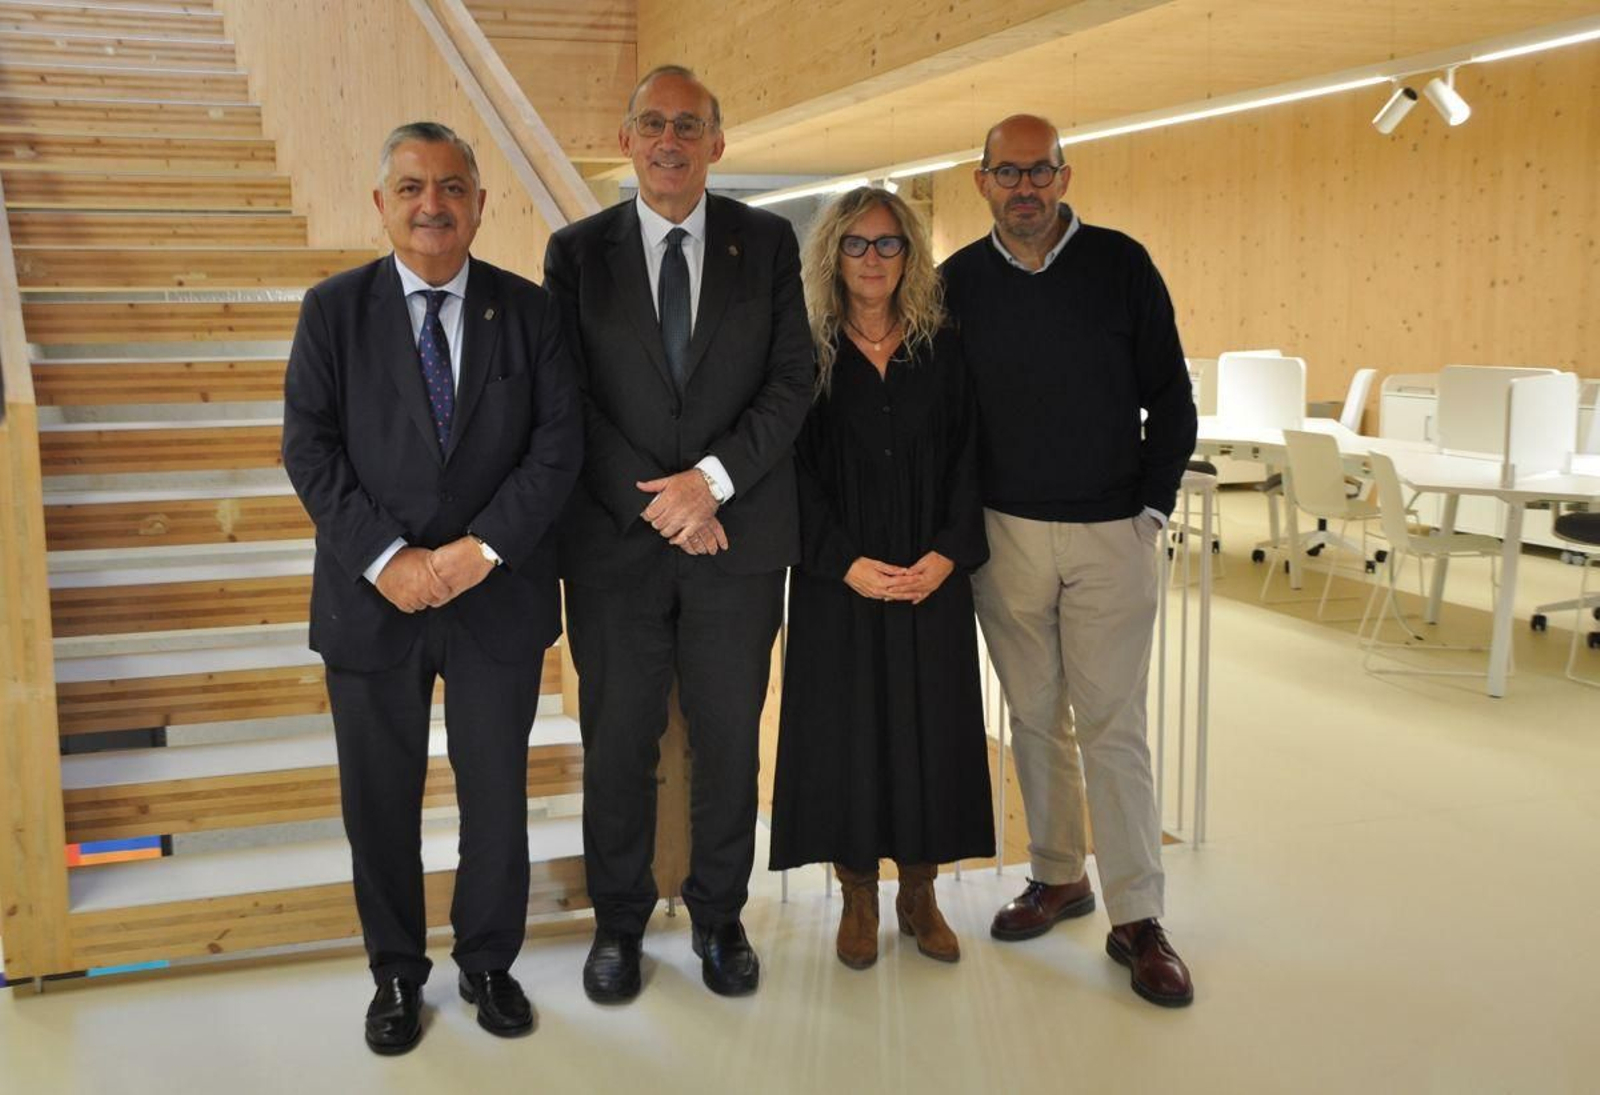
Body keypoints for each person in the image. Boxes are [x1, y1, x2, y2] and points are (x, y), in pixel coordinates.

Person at [281, 121, 582, 1053]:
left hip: (495, 596)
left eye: (452, 187)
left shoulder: (529, 313)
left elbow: (557, 447)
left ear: (480, 205)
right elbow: (310, 448)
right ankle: (396, 975)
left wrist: (476, 552)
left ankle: (489, 962)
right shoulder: (332, 311)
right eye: (411, 187)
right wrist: (392, 561)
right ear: (381, 204)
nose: (432, 205)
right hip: (373, 603)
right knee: (380, 800)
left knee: (495, 795)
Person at [543, 66, 813, 1002]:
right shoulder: (575, 254)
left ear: (717, 144)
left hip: (737, 547)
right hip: (618, 549)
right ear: (627, 139)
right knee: (618, 739)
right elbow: (566, 399)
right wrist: (663, 502)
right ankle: (618, 922)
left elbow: (791, 383)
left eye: (688, 125)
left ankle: (719, 914)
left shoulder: (768, 242)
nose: (670, 140)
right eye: (653, 123)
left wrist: (713, 484)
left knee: (729, 739)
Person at [940, 113, 1199, 1007]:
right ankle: (1058, 874)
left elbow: (1172, 395)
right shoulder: (957, 282)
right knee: (1034, 713)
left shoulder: (1122, 265)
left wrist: (1151, 508)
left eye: (1039, 172)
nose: (1025, 189)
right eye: (1007, 174)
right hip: (1005, 533)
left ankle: (1139, 914)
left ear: (1065, 175)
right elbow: (947, 414)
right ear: (981, 182)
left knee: (1112, 723)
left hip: (1109, 533)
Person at [769, 187, 993, 970]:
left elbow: (973, 456)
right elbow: (790, 470)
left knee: (931, 728)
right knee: (848, 733)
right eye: (857, 245)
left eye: (888, 244)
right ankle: (858, 891)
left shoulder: (944, 345)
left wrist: (947, 554)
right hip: (842, 579)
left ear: (911, 255)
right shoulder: (804, 349)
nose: (872, 259)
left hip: (931, 574)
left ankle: (919, 891)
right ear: (833, 254)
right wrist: (842, 562)